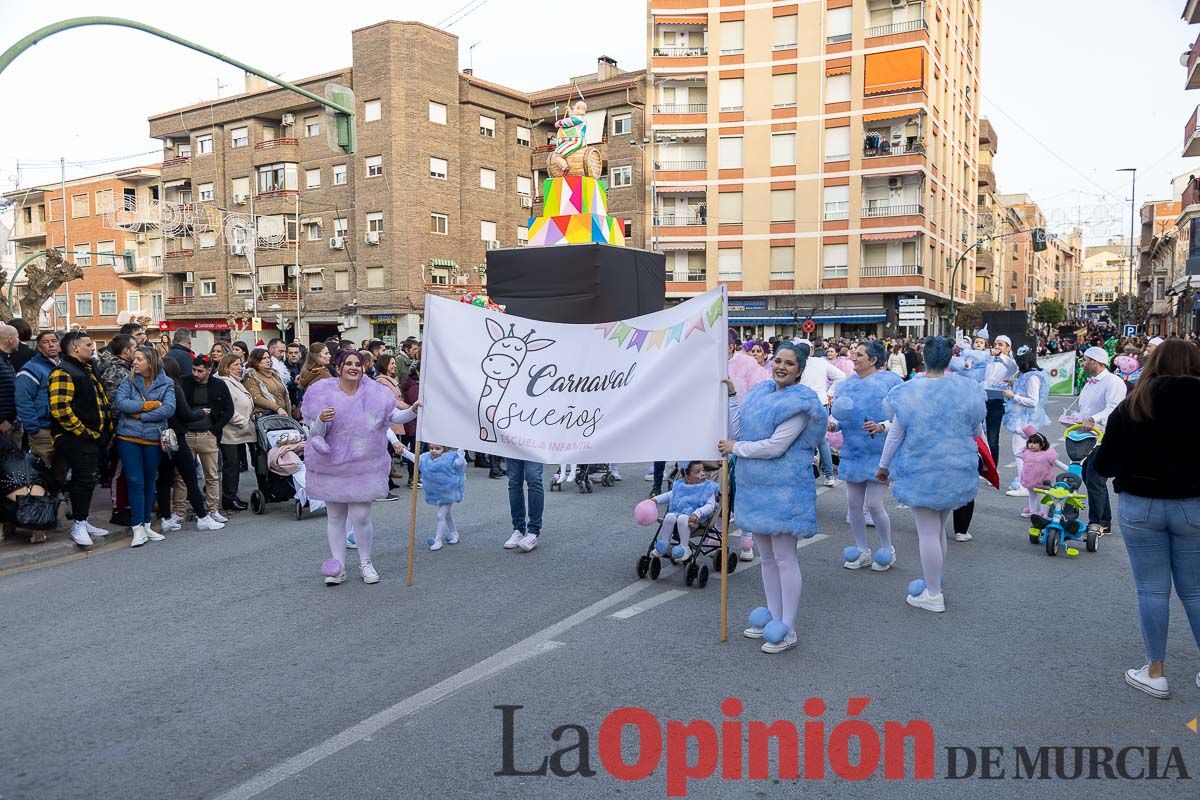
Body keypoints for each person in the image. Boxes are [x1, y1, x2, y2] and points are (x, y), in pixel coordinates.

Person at [1093, 339, 1200, 698]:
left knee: (1152, 589)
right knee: (1196, 590)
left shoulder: (1132, 404)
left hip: (1141, 505)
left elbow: (1105, 464)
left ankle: (1155, 671)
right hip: (1193, 504)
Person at [718, 343, 828, 654]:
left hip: (785, 491)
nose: (781, 366)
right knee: (767, 559)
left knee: (784, 558)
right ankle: (775, 618)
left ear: (799, 370)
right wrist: (731, 398)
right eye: (778, 360)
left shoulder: (801, 403)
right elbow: (741, 431)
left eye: (789, 363)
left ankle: (788, 628)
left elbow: (775, 446)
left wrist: (735, 449)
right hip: (755, 488)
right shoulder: (759, 393)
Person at [876, 336, 986, 613]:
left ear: (923, 356)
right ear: (951, 357)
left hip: (922, 469)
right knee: (938, 529)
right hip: (956, 468)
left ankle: (933, 593)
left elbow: (896, 435)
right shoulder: (968, 388)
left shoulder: (909, 391)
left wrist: (883, 466)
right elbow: (976, 431)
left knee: (927, 532)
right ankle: (933, 581)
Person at [302, 350, 416, 585]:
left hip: (364, 467)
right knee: (335, 516)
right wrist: (321, 420)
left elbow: (396, 416)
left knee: (361, 515)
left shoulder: (375, 393)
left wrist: (414, 410)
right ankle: (338, 566)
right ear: (338, 367)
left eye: (357, 364)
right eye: (348, 363)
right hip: (331, 465)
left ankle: (365, 562)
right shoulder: (322, 393)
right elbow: (314, 433)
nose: (353, 367)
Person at [829, 340, 903, 571]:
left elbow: (903, 419)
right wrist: (835, 426)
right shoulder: (846, 385)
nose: (854, 357)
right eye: (854, 353)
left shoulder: (892, 383)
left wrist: (882, 425)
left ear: (873, 360)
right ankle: (862, 550)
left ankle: (886, 549)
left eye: (859, 354)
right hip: (853, 452)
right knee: (853, 505)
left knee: (874, 504)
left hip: (880, 454)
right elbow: (845, 419)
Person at [49, 332, 114, 547]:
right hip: (75, 439)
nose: (93, 348)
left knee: (88, 480)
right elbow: (60, 408)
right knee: (82, 480)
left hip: (91, 438)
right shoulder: (63, 372)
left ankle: (83, 520)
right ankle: (78, 524)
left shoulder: (87, 369)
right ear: (75, 348)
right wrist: (83, 432)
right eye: (88, 344)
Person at [113, 347, 176, 547]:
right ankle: (137, 527)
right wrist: (148, 406)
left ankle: (148, 524)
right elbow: (121, 403)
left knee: (150, 480)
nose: (135, 362)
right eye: (135, 358)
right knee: (134, 480)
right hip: (128, 437)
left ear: (151, 361)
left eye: (139, 359)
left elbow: (168, 409)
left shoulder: (167, 382)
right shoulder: (128, 380)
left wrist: (139, 415)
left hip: (153, 439)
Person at [156, 358, 224, 532]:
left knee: (165, 478)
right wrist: (202, 412)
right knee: (190, 478)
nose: (194, 373)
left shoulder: (155, 387)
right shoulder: (174, 387)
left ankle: (167, 517)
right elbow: (185, 414)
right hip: (177, 436)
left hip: (162, 437)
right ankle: (202, 517)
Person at [1068, 346, 1127, 536]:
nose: (1083, 363)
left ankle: (1097, 522)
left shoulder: (1114, 382)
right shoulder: (1090, 382)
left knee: (1095, 480)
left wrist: (1093, 419)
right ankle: (1104, 520)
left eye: (1085, 360)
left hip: (1104, 437)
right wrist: (1074, 419)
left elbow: (1114, 408)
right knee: (1089, 478)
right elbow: (1085, 408)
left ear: (1095, 362)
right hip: (1087, 437)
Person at [176, 354, 233, 522]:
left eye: (200, 371)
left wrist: (215, 430)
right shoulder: (184, 382)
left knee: (212, 475)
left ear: (209, 370)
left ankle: (213, 509)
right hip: (187, 434)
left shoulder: (219, 385)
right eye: (193, 369)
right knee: (180, 476)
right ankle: (179, 512)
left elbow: (229, 410)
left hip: (208, 435)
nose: (195, 373)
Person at [1001, 345, 1050, 498]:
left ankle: (1024, 485)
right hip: (1022, 417)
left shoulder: (1032, 377)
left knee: (1020, 452)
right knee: (1024, 452)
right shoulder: (1029, 375)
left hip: (1024, 419)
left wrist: (1012, 396)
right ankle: (1026, 482)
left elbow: (1033, 401)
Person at [647, 460, 718, 563]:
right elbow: (669, 495)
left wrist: (697, 513)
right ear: (688, 478)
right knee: (670, 516)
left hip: (697, 518)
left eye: (703, 470)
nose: (702, 473)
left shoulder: (708, 488)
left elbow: (710, 506)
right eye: (698, 472)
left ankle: (685, 548)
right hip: (678, 514)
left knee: (682, 518)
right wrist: (655, 500)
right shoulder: (681, 486)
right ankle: (665, 544)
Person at [399, 443, 466, 551]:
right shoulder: (426, 458)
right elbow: (415, 459)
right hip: (438, 493)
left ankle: (438, 540)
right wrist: (404, 452)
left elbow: (460, 464)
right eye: (432, 448)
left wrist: (461, 450)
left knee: (440, 515)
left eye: (437, 449)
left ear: (445, 449)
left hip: (449, 492)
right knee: (447, 514)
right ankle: (454, 533)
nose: (433, 451)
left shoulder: (451, 458)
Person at [797, 339, 846, 487]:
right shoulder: (821, 362)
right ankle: (829, 475)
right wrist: (829, 393)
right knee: (821, 440)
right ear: (811, 350)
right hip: (821, 402)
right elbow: (841, 376)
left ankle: (805, 475)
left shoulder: (797, 364)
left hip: (801, 404)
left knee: (800, 439)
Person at [16, 331, 61, 473]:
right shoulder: (31, 369)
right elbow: (23, 399)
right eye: (46, 342)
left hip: (62, 428)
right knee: (43, 469)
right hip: (43, 429)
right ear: (39, 348)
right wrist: (33, 427)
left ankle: (56, 494)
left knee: (60, 469)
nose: (51, 345)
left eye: (54, 341)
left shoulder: (63, 366)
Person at [214, 354, 253, 512]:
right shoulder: (225, 382)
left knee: (234, 465)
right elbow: (228, 407)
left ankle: (232, 496)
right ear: (226, 367)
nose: (239, 368)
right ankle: (229, 498)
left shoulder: (234, 382)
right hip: (231, 431)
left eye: (239, 364)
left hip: (237, 431)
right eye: (235, 365)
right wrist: (242, 421)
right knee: (231, 466)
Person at [981, 334, 1018, 466]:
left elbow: (1013, 368)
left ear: (1008, 348)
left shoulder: (1009, 363)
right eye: (996, 344)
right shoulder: (988, 360)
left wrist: (1000, 355)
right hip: (980, 399)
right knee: (977, 436)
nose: (997, 347)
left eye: (1001, 344)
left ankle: (992, 467)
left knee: (992, 437)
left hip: (995, 402)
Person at [1014, 430, 1067, 518]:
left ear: (1042, 444)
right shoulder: (1027, 453)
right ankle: (1032, 512)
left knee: (1044, 497)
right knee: (1032, 496)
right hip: (1030, 480)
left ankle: (1044, 514)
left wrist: (1068, 469)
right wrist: (1025, 445)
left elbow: (1057, 463)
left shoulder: (1047, 454)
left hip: (1044, 480)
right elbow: (1017, 453)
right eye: (1030, 442)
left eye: (1035, 443)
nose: (1031, 445)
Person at [243, 348, 291, 418]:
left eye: (268, 357)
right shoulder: (251, 376)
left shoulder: (274, 374)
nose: (268, 360)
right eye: (264, 358)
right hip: (267, 416)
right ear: (256, 361)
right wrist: (277, 408)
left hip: (282, 414)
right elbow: (257, 398)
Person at [550, 98, 588, 175]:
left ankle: (565, 167)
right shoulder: (579, 118)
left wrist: (557, 123)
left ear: (578, 109)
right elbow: (572, 116)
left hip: (575, 141)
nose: (573, 107)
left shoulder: (579, 119)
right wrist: (569, 111)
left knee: (557, 155)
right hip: (572, 140)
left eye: (575, 106)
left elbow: (566, 122)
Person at [0, 325, 19, 437]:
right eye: (18, 337)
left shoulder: (6, 360)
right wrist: (2, 422)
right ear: (10, 340)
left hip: (11, 422)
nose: (19, 341)